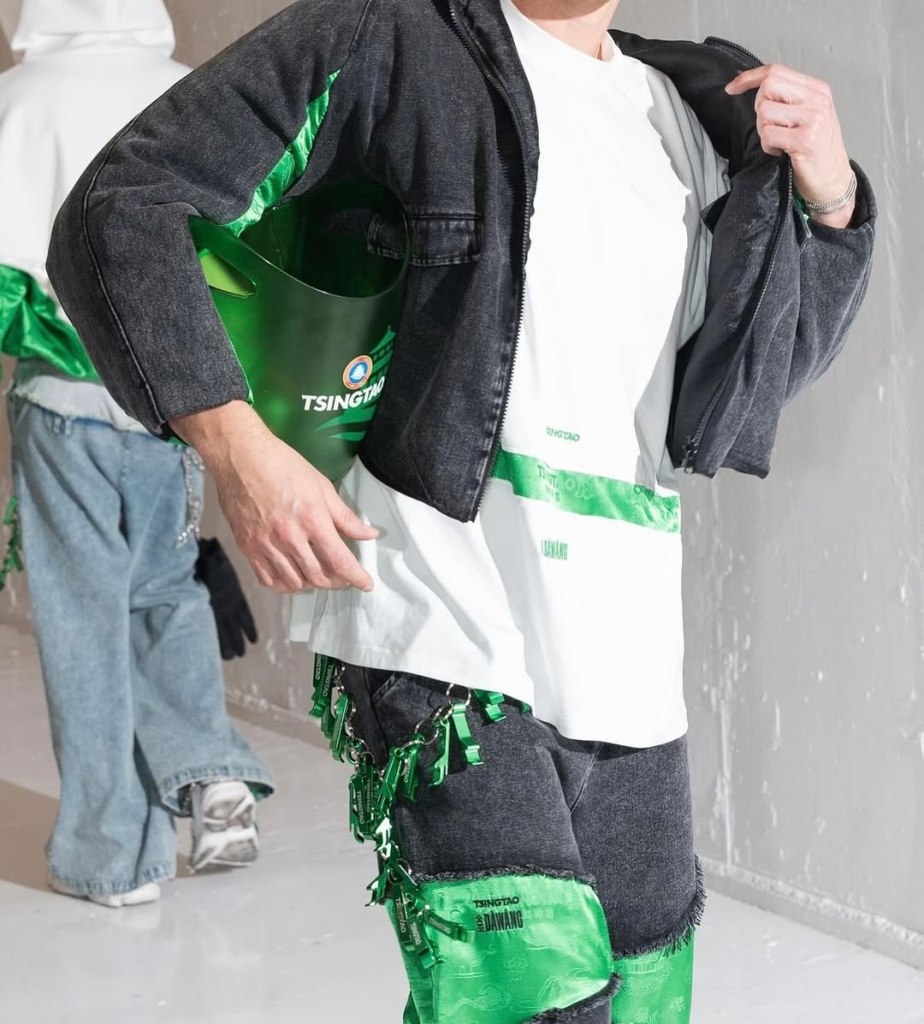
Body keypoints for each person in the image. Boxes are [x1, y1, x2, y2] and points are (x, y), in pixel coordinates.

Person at [47, 0, 875, 1015]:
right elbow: (123, 204)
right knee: (529, 998)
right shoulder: (391, 38)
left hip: (625, 644)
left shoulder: (687, 113)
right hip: (441, 613)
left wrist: (830, 200)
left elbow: (755, 371)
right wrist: (237, 444)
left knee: (645, 997)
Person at [0, 0, 274, 909]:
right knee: (166, 587)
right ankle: (211, 771)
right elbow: (240, 249)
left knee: (84, 619)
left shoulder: (18, 101)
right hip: (173, 402)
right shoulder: (186, 93)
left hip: (62, 404)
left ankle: (114, 858)